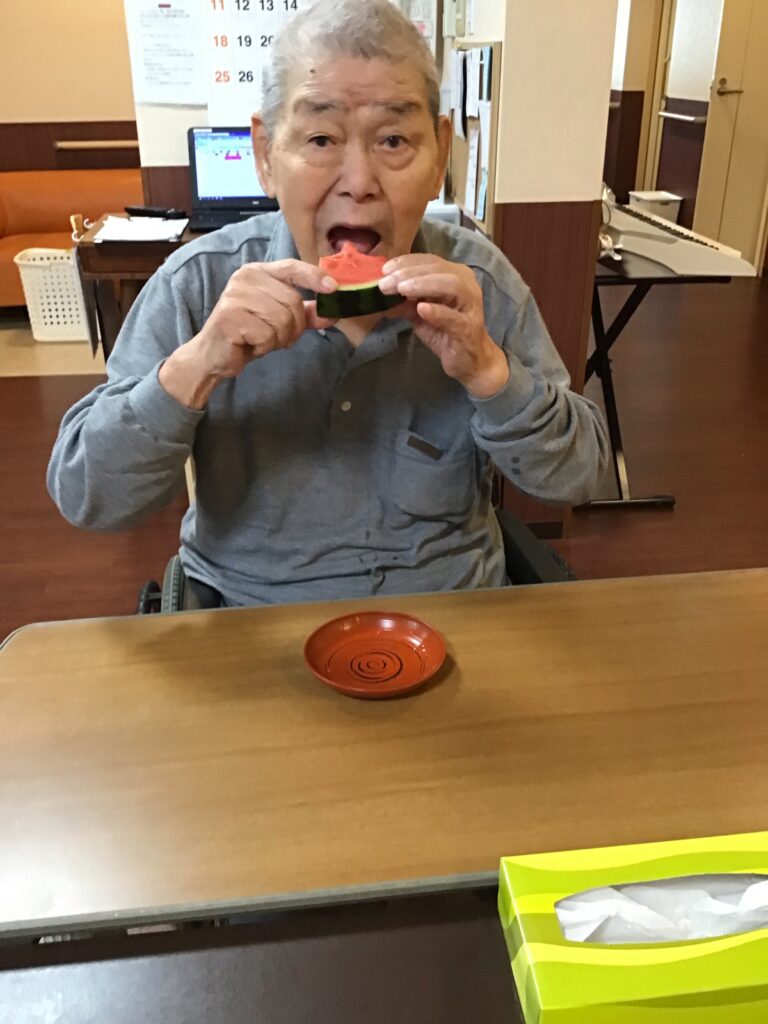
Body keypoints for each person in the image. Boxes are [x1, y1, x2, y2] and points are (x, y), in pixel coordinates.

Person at [48, 0, 608, 608]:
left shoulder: (478, 284)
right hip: (247, 616)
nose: (359, 182)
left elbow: (578, 477)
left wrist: (490, 373)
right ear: (265, 155)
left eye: (393, 139)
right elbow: (88, 496)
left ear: (440, 154)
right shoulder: (199, 283)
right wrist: (196, 366)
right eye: (320, 138)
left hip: (447, 609)